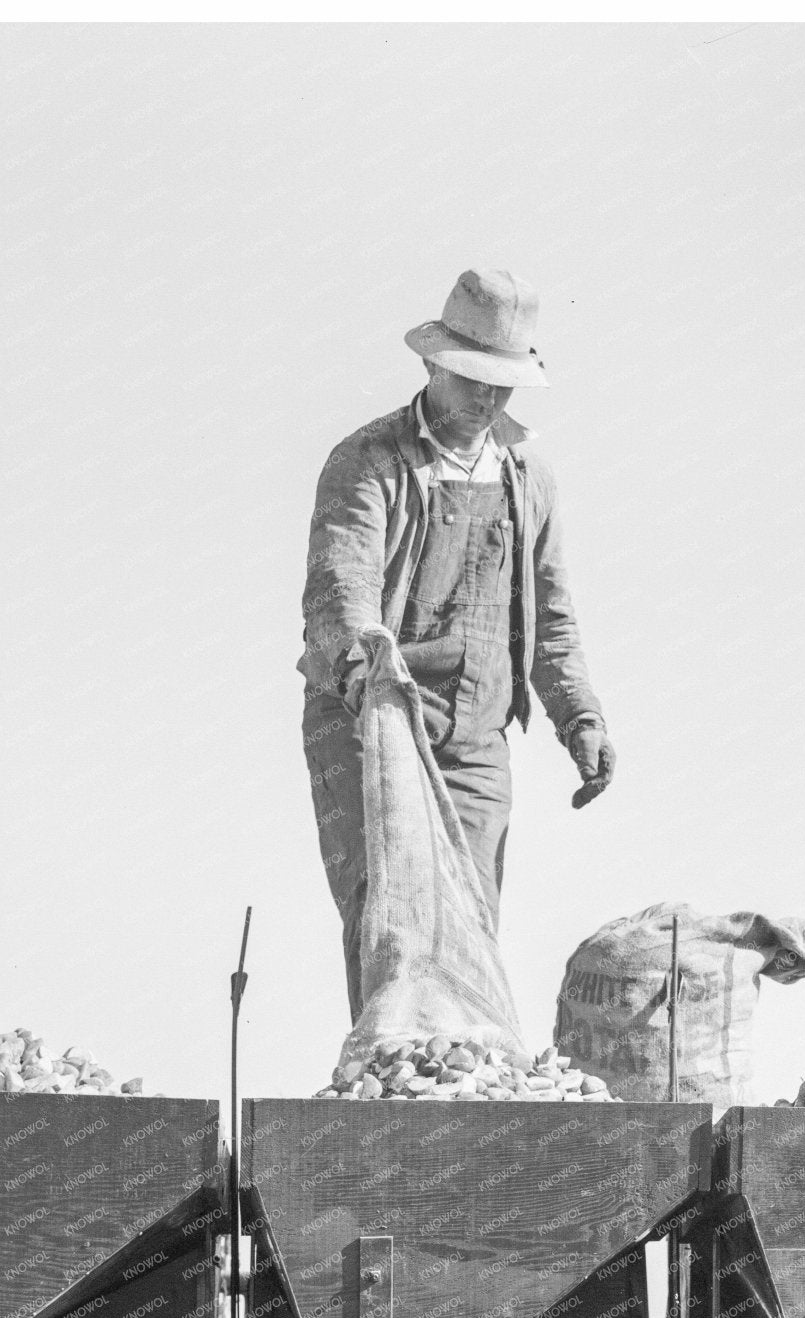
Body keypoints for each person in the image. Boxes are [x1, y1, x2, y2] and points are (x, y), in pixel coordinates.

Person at [299, 268, 613, 1015]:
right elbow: (342, 592)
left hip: (475, 735)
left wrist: (580, 717)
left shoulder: (527, 477)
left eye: (502, 384)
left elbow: (553, 617)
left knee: (469, 921)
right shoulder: (369, 463)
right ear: (434, 363)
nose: (487, 397)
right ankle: (386, 1089)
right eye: (473, 379)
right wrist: (371, 676)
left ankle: (455, 1084)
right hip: (370, 722)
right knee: (389, 913)